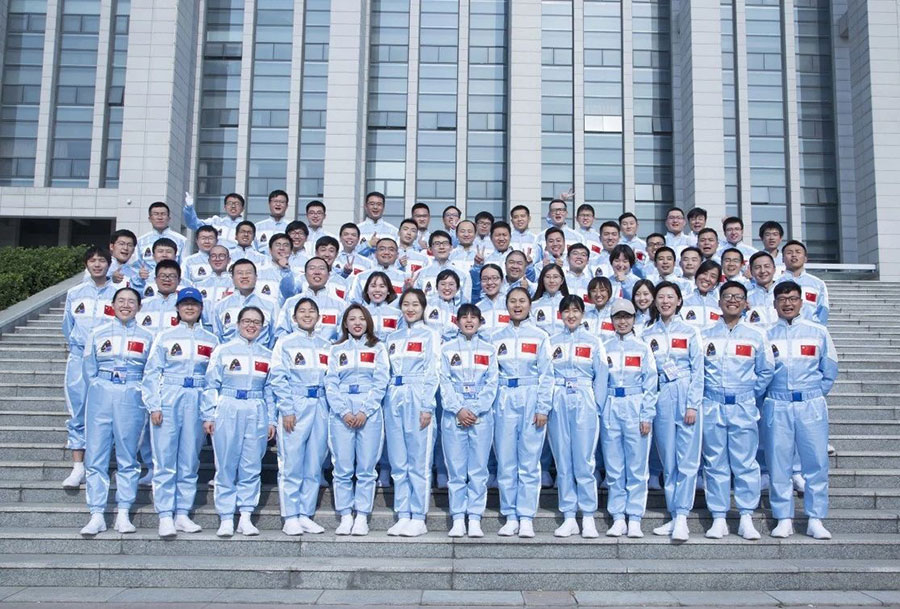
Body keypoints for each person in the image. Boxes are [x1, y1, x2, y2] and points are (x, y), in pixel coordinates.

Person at [141, 287, 218, 537]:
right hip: (170, 396)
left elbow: (213, 379)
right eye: (185, 304)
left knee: (189, 458)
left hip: (197, 397)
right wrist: (154, 405)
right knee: (165, 458)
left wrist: (209, 412)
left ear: (201, 308)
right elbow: (152, 372)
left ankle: (183, 512)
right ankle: (165, 513)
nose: (189, 307)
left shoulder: (211, 340)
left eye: (194, 304)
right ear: (177, 308)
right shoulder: (165, 337)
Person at [700, 280, 774, 540]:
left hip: (743, 405)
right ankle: (719, 516)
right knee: (714, 462)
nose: (732, 300)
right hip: (712, 404)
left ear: (745, 303)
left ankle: (745, 515)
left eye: (738, 297)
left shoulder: (756, 335)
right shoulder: (705, 335)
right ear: (719, 301)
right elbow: (699, 371)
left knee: (745, 462)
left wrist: (750, 393)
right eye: (728, 296)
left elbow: (766, 370)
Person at [764, 281, 838, 540]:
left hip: (810, 403)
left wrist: (813, 394)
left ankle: (815, 518)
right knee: (778, 463)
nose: (788, 303)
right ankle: (783, 517)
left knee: (816, 461)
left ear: (801, 302)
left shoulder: (818, 332)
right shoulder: (765, 334)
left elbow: (829, 370)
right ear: (774, 304)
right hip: (777, 403)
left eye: (793, 298)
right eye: (782, 299)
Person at [79, 287, 154, 536]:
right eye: (121, 300)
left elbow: (151, 372)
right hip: (102, 393)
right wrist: (98, 386)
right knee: (96, 454)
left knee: (128, 455)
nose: (126, 305)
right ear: (112, 305)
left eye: (131, 302)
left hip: (132, 394)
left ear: (139, 307)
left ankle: (123, 511)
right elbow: (88, 367)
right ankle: (97, 513)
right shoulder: (97, 333)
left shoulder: (148, 336)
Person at [201, 306, 276, 537]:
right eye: (246, 321)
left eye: (256, 322)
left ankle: (245, 515)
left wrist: (271, 419)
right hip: (228, 405)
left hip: (256, 407)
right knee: (226, 463)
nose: (251, 326)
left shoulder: (267, 354)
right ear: (238, 324)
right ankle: (226, 516)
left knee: (251, 464)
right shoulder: (223, 351)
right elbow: (211, 384)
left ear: (262, 327)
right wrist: (209, 414)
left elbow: (270, 390)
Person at [643, 282, 703, 541]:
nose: (665, 301)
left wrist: (692, 404)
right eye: (661, 297)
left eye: (670, 297)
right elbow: (647, 372)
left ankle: (682, 515)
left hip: (686, 390)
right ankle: (673, 512)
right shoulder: (647, 334)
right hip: (662, 394)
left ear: (679, 301)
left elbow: (699, 370)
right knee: (668, 459)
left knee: (687, 459)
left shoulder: (690, 332)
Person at [491, 287, 553, 538]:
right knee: (506, 460)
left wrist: (543, 407)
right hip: (504, 397)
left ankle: (526, 516)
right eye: (512, 301)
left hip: (531, 396)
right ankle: (510, 514)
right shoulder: (495, 337)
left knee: (528, 460)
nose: (517, 305)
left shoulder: (540, 336)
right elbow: (490, 374)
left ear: (530, 305)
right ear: (506, 306)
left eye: (522, 301)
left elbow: (547, 374)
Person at [325, 305, 390, 536]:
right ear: (345, 323)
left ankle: (362, 515)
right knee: (342, 466)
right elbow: (330, 382)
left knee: (366, 466)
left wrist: (365, 410)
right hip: (342, 410)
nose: (357, 323)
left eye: (361, 318)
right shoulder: (336, 349)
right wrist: (343, 411)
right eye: (352, 319)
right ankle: (345, 515)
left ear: (368, 322)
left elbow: (381, 380)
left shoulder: (378, 348)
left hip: (368, 410)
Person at [548, 295, 608, 538]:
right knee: (563, 460)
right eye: (566, 311)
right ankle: (569, 516)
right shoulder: (551, 341)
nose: (571, 315)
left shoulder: (594, 341)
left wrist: (597, 406)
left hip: (584, 398)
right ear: (560, 314)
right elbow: (546, 374)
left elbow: (602, 375)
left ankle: (589, 515)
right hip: (559, 398)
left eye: (575, 310)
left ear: (582, 314)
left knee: (584, 460)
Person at [270, 298, 332, 536]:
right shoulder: (285, 343)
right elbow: (278, 377)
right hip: (296, 403)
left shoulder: (326, 345)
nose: (307, 315)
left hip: (321, 404)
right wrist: (287, 409)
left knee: (314, 463)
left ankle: (305, 513)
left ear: (318, 316)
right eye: (302, 312)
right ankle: (290, 515)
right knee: (291, 462)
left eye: (312, 311)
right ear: (294, 318)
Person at [383, 289, 441, 537]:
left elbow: (433, 370)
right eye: (406, 304)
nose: (410, 309)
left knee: (418, 460)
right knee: (399, 461)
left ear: (423, 307)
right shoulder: (392, 337)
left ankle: (418, 515)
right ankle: (403, 513)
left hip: (418, 395)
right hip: (394, 395)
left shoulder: (430, 334)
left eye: (415, 304)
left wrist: (427, 405)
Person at [439, 304, 499, 537]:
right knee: (456, 469)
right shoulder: (446, 349)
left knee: (478, 469)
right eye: (464, 317)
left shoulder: (489, 350)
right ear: (457, 322)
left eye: (474, 317)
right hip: (454, 415)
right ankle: (457, 517)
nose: (469, 321)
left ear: (480, 322)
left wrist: (475, 409)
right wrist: (458, 409)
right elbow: (443, 381)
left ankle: (474, 517)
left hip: (480, 417)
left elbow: (492, 383)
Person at [601, 299, 658, 538]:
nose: (622, 321)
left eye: (627, 317)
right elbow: (599, 381)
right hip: (611, 404)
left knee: (637, 465)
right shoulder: (604, 347)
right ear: (612, 320)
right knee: (614, 466)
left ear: (634, 319)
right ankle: (617, 516)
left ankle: (634, 517)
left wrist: (647, 414)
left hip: (635, 405)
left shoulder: (643, 347)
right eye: (618, 317)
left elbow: (651, 382)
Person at [62, 247, 117, 489]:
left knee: (106, 411)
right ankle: (78, 466)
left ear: (109, 264)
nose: (97, 264)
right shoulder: (74, 293)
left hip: (106, 360)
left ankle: (100, 462)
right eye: (92, 260)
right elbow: (67, 326)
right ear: (86, 264)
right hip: (78, 359)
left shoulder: (118, 294)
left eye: (102, 260)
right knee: (78, 409)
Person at [213, 259, 277, 347]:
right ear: (232, 277)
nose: (244, 276)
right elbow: (217, 337)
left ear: (256, 277)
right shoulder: (220, 306)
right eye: (240, 273)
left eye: (248, 273)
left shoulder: (271, 304)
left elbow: (275, 336)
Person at [778, 240, 829, 325]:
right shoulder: (775, 283)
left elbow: (823, 311)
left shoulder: (818, 284)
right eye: (789, 253)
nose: (794, 255)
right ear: (783, 259)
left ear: (805, 258)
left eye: (798, 252)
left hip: (809, 331)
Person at [361, 272, 402, 341]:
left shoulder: (398, 314)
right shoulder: (361, 312)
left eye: (382, 286)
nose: (377, 290)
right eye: (373, 286)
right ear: (367, 290)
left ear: (388, 291)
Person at [682, 260, 722, 330]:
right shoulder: (683, 301)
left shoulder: (719, 305)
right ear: (697, 275)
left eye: (713, 276)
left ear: (716, 282)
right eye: (704, 273)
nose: (707, 278)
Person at [531, 264, 568, 336]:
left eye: (555, 277)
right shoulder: (533, 305)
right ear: (542, 280)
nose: (551, 281)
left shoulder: (569, 304)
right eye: (547, 277)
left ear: (562, 280)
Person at [474, 264, 509, 335]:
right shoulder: (476, 308)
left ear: (502, 280)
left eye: (494, 278)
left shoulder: (510, 305)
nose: (489, 282)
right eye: (485, 279)